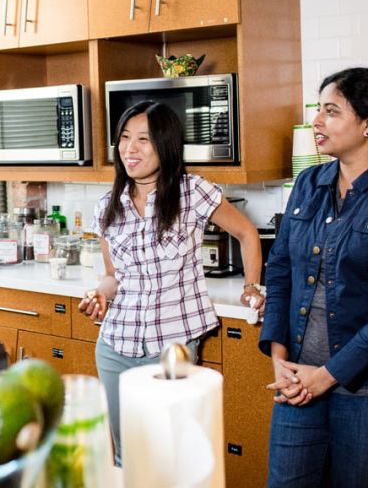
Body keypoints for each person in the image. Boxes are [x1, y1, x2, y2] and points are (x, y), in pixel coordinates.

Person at [78, 100, 262, 464]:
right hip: (115, 345)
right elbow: (115, 276)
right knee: (126, 457)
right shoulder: (107, 205)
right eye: (125, 138)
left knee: (168, 455)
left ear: (166, 144)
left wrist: (250, 287)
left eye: (143, 139)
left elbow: (246, 233)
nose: (130, 148)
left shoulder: (193, 192)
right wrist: (100, 293)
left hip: (171, 347)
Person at [260, 68, 368, 488]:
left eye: (331, 111)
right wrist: (280, 359)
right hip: (297, 381)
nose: (317, 121)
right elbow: (279, 269)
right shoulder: (308, 183)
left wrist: (329, 374)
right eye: (319, 110)